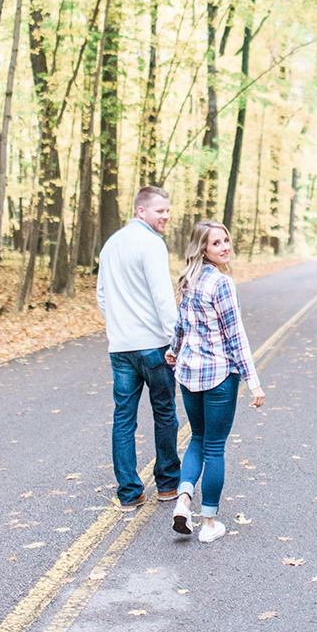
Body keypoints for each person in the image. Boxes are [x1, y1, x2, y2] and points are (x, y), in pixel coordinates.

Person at [166, 220, 265, 543]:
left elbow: (180, 327)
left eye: (226, 241)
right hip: (219, 376)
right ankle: (209, 524)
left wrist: (173, 352)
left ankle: (183, 499)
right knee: (214, 447)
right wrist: (253, 382)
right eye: (216, 243)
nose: (225, 247)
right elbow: (235, 336)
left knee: (197, 438)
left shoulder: (187, 279)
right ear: (202, 249)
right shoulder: (221, 283)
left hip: (189, 373)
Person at [96, 185, 180, 510]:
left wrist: (119, 324)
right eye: (160, 211)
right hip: (154, 347)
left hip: (120, 348)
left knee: (123, 419)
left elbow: (102, 295)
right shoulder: (152, 244)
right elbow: (162, 297)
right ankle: (168, 484)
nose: (166, 216)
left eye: (167, 210)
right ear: (140, 211)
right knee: (164, 413)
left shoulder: (111, 244)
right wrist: (177, 341)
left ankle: (129, 493)